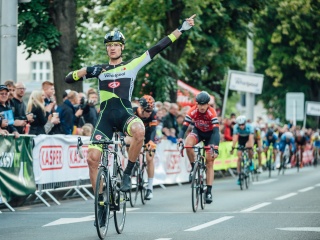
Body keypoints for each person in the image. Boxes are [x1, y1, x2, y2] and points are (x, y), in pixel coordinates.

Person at [65, 14, 196, 205]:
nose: (112, 48)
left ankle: (127, 174)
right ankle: (101, 202)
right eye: (109, 45)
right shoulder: (100, 70)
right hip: (105, 119)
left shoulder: (132, 65)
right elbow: (69, 79)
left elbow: (159, 47)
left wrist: (182, 29)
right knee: (92, 159)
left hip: (126, 114)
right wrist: (87, 70)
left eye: (116, 44)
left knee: (140, 130)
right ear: (106, 48)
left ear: (122, 47)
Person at [178, 91, 220, 204]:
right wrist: (180, 139)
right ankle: (193, 168)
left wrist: (215, 147)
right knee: (188, 144)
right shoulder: (192, 110)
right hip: (198, 132)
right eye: (200, 104)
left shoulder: (212, 112)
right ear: (196, 104)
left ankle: (209, 191)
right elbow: (183, 128)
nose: (202, 107)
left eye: (204, 104)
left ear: (208, 104)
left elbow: (216, 132)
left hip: (210, 135)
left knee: (209, 162)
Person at [124, 95, 157, 200]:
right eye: (147, 111)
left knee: (149, 158)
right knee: (128, 142)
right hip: (135, 136)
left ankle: (150, 187)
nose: (149, 113)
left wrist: (151, 141)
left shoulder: (153, 114)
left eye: (151, 111)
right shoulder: (132, 112)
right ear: (141, 108)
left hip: (148, 137)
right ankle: (132, 163)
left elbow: (153, 130)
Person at [230, 115, 254, 185]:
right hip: (241, 139)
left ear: (245, 123)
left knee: (249, 148)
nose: (241, 126)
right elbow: (234, 139)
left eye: (243, 124)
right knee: (239, 157)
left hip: (248, 138)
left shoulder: (250, 127)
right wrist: (233, 148)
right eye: (240, 125)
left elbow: (251, 138)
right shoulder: (235, 127)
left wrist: (250, 147)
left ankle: (250, 161)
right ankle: (239, 175)